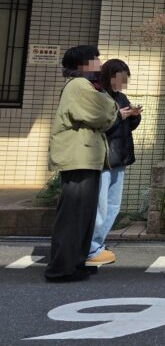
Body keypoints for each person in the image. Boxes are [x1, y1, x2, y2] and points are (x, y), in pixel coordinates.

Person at [45, 45, 118, 282]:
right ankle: (61, 268)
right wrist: (111, 108)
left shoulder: (86, 85)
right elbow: (102, 113)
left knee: (83, 215)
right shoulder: (79, 85)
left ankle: (75, 263)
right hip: (79, 158)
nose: (99, 62)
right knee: (73, 216)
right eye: (95, 59)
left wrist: (109, 110)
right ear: (82, 64)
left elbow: (106, 117)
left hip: (86, 157)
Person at [87, 59, 141, 267]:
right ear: (109, 77)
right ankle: (91, 247)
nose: (123, 83)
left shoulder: (120, 97)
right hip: (103, 158)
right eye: (120, 79)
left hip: (120, 157)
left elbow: (128, 127)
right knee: (100, 206)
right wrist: (119, 115)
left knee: (113, 205)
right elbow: (98, 125)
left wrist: (133, 116)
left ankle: (97, 244)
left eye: (125, 79)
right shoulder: (99, 96)